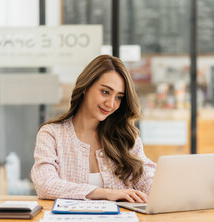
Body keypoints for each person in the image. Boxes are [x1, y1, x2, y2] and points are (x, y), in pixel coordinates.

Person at [31, 55, 156, 203]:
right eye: (105, 92)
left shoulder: (125, 137)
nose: (110, 104)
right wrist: (106, 193)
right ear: (86, 87)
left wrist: (166, 190)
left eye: (119, 97)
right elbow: (46, 185)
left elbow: (147, 178)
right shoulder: (51, 134)